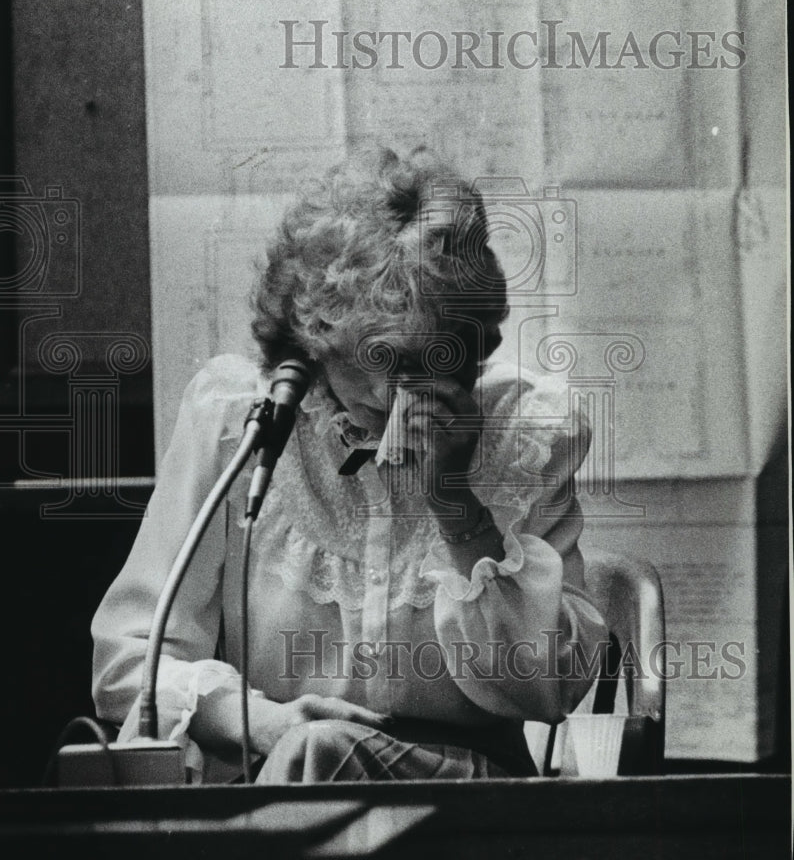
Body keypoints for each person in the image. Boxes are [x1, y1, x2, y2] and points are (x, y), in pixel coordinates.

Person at [91, 145, 608, 783]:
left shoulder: (525, 434)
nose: (409, 394)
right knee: (316, 754)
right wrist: (266, 723)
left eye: (442, 359)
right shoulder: (240, 423)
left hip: (467, 795)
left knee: (326, 755)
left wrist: (457, 508)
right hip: (276, 769)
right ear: (320, 336)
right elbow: (130, 661)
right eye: (389, 358)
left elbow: (550, 690)